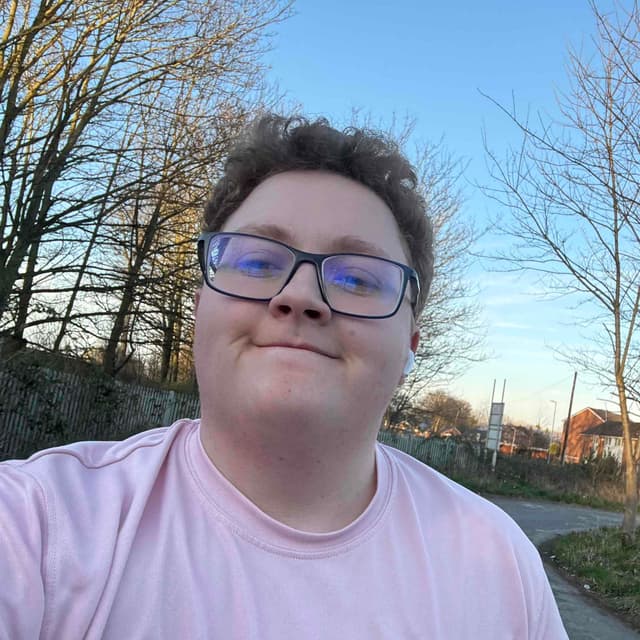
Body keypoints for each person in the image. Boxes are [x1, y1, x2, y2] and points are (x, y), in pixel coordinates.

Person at [0, 115, 568, 639]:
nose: (299, 295)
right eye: (256, 262)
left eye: (357, 279)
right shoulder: (36, 526)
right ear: (199, 308)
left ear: (410, 346)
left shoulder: (500, 566)